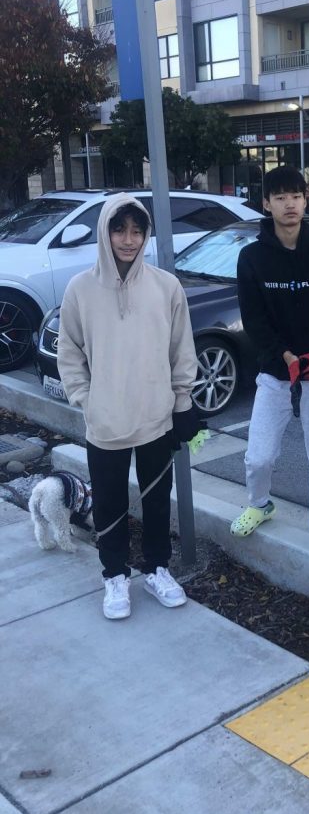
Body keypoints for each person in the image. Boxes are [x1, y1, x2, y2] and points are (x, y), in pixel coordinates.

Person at [57, 193, 200, 621]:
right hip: (106, 422)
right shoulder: (81, 289)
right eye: (119, 229)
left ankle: (157, 568)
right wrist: (87, 399)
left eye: (137, 230)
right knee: (110, 503)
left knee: (158, 501)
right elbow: (70, 352)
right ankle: (114, 575)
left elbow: (182, 349)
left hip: (156, 418)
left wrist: (182, 402)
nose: (128, 239)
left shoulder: (165, 286)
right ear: (105, 231)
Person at [231, 165, 309, 539]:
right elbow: (254, 319)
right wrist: (284, 355)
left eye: (295, 196)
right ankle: (259, 504)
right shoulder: (252, 258)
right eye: (279, 197)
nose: (289, 204)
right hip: (274, 371)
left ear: (305, 199)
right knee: (259, 456)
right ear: (266, 204)